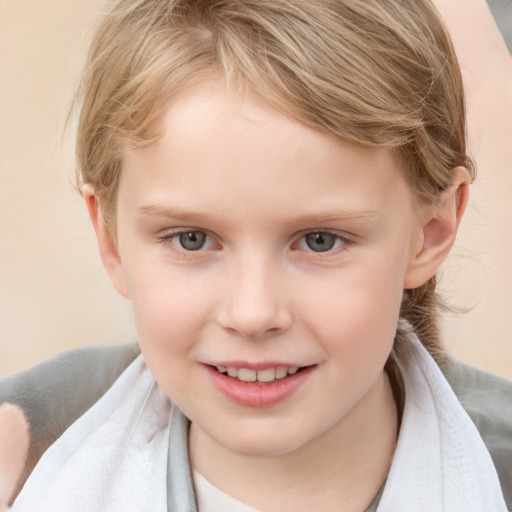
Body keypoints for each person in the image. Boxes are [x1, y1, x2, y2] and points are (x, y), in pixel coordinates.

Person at [0, 0, 510, 510]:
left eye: (320, 241)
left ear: (432, 231)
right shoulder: (27, 452)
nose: (252, 313)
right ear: (110, 236)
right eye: (191, 239)